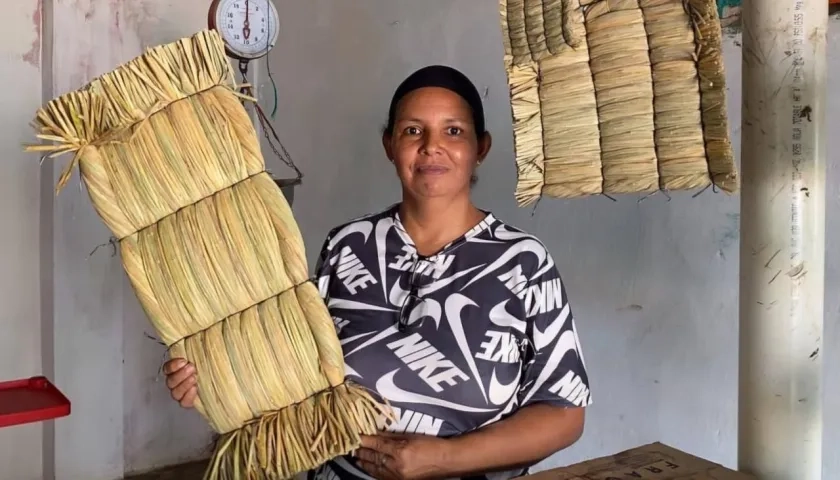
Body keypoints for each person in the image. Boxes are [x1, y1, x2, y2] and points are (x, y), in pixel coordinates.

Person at [162, 65, 592, 480]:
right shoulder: (348, 245)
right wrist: (215, 377)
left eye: (453, 131)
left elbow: (564, 413)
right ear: (389, 145)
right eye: (413, 131)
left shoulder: (522, 262)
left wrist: (445, 459)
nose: (431, 146)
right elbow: (300, 373)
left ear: (481, 147)